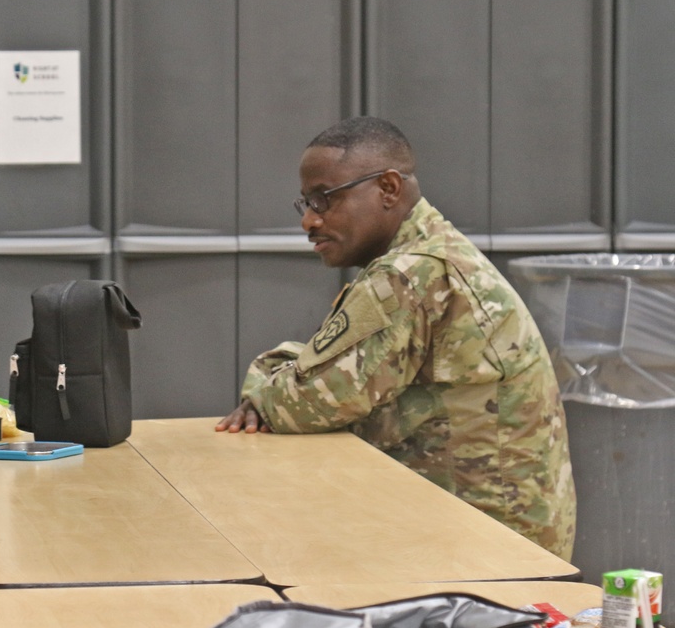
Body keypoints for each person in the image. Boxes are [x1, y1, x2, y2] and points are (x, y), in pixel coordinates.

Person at [217, 117, 576, 560]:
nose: (310, 220)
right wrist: (297, 370)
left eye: (324, 199)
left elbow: (308, 401)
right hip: (487, 535)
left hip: (485, 553)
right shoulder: (430, 252)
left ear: (388, 189)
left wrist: (263, 382)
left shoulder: (412, 272)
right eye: (306, 203)